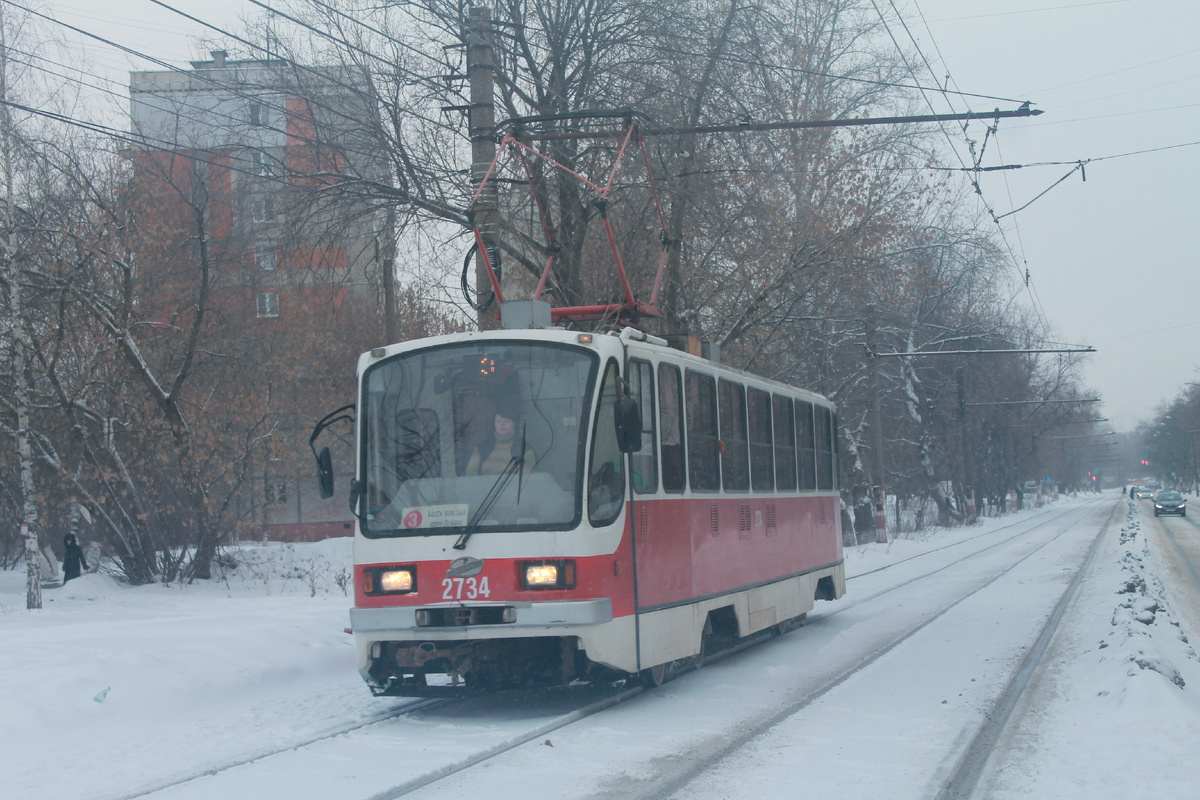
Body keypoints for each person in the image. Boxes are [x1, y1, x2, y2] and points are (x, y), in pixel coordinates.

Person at [465, 400, 534, 475]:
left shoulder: (525, 450)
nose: (502, 424)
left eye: (507, 421)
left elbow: (526, 480)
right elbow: (470, 477)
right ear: (494, 424)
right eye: (498, 421)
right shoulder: (481, 448)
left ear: (514, 424)